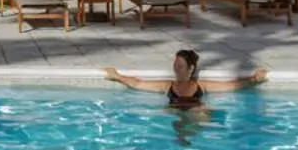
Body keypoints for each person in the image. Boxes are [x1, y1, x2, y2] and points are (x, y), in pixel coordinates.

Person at [103, 50, 267, 109]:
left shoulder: (201, 86)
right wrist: (117, 75)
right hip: (175, 112)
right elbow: (138, 83)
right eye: (175, 64)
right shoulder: (168, 86)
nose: (175, 68)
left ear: (191, 69)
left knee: (199, 113)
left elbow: (230, 85)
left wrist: (253, 79)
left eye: (180, 65)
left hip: (197, 113)